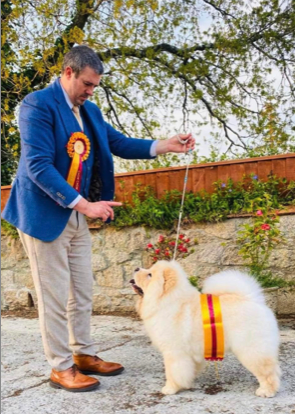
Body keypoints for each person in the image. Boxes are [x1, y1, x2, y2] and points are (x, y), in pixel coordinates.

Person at [2, 45, 195, 392]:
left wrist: (166, 145)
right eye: (88, 84)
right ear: (68, 73)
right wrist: (85, 205)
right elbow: (38, 166)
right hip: (43, 214)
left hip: (77, 215)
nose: (91, 91)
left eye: (95, 86)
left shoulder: (89, 111)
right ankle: (61, 368)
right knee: (55, 297)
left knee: (83, 293)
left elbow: (119, 142)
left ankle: (84, 355)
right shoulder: (37, 105)